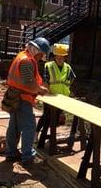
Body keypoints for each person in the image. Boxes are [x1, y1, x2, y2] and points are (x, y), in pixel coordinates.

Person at [5, 37, 50, 165]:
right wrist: (40, 89)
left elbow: (29, 79)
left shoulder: (23, 56)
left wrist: (39, 86)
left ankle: (11, 153)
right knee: (29, 127)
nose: (41, 58)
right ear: (37, 51)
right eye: (41, 55)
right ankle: (27, 156)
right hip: (22, 98)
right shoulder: (26, 61)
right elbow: (29, 82)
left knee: (14, 126)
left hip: (15, 96)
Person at [36, 43, 75, 144]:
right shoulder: (49, 65)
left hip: (62, 97)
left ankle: (49, 139)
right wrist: (48, 94)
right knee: (46, 117)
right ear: (55, 56)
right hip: (51, 97)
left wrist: (67, 87)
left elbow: (72, 78)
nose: (60, 58)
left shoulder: (68, 67)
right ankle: (36, 135)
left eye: (62, 56)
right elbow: (45, 81)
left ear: (65, 57)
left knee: (56, 118)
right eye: (58, 56)